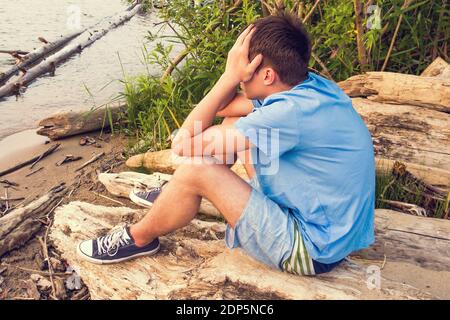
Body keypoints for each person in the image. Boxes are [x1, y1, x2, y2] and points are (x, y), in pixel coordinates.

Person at [77, 13, 375, 276]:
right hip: (330, 226)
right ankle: (174, 194)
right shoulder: (307, 86)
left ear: (268, 75)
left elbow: (184, 142)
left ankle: (138, 238)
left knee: (197, 169)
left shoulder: (287, 114)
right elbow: (225, 108)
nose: (241, 79)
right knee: (233, 123)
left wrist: (228, 76)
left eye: (246, 71)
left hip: (312, 249)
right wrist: (236, 79)